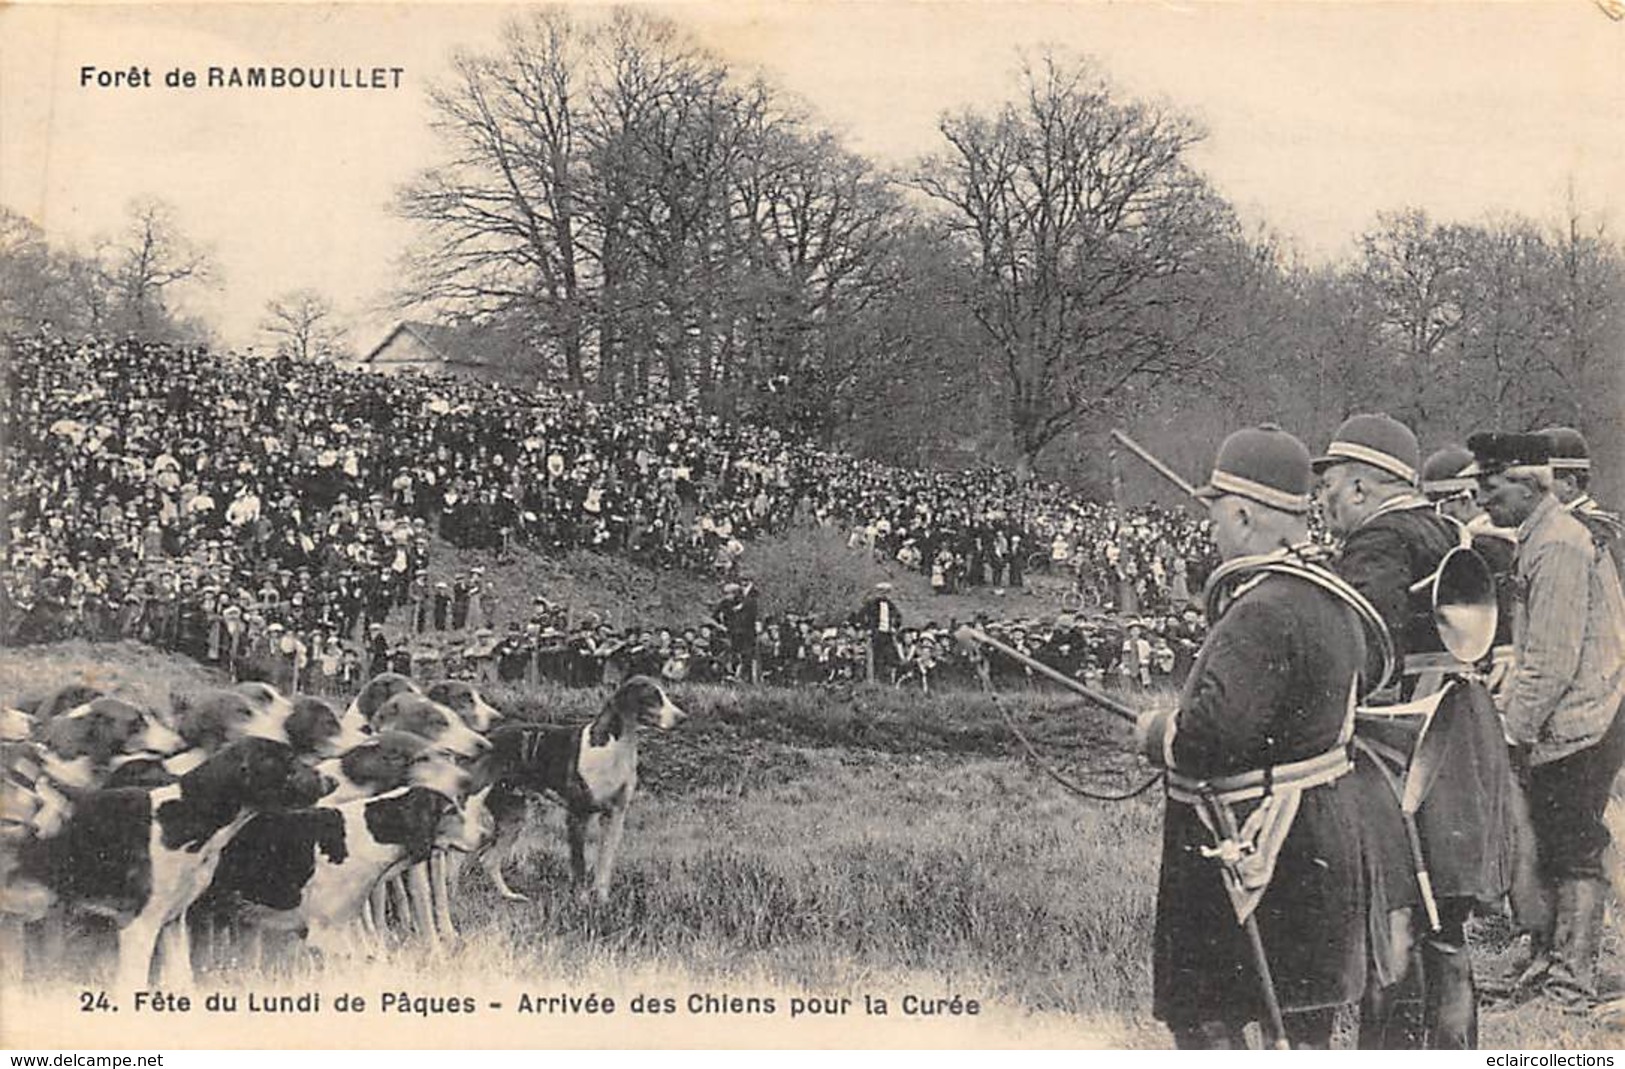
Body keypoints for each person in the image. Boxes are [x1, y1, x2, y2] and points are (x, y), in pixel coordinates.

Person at [1136, 424, 1370, 1049]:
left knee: (1208, 1017)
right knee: (1302, 1026)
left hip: (1250, 848)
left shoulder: (1263, 609)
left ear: (1242, 515)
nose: (1210, 532)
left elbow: (1209, 738)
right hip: (1320, 839)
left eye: (1215, 515)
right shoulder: (1329, 596)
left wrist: (1156, 731)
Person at [1314, 415, 1513, 1048]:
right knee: (1445, 929)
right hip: (1462, 731)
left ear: (1363, 489)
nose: (1323, 503)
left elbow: (1359, 646)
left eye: (1332, 489)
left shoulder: (1378, 542)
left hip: (1407, 748)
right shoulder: (1446, 528)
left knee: (1394, 921)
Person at [1466, 431, 1625, 1011]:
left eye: (1491, 485)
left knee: (1572, 845)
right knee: (1557, 843)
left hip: (1583, 717)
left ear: (1529, 483)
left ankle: (1570, 979)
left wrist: (1513, 729)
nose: (1483, 499)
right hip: (1576, 711)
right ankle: (1548, 961)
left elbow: (1552, 659)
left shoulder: (1557, 545)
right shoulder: (1542, 536)